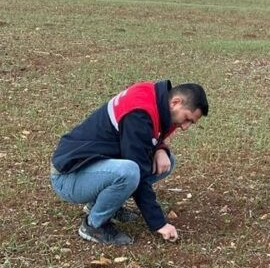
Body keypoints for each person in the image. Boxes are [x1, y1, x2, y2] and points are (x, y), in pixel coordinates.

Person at [50, 80, 208, 245]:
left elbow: (148, 137)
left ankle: (105, 205)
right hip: (68, 177)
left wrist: (161, 149)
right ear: (176, 102)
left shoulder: (157, 99)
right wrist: (159, 223)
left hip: (90, 166)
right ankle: (94, 225)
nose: (185, 127)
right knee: (130, 171)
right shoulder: (139, 113)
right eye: (187, 119)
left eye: (191, 123)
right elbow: (139, 169)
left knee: (166, 162)